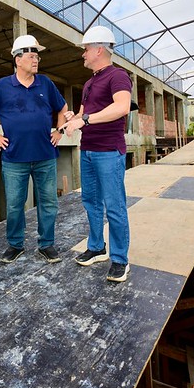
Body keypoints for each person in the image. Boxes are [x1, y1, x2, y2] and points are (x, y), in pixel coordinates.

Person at [0, 34, 68, 264]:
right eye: (31, 55)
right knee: (15, 204)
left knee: (48, 202)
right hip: (14, 158)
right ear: (18, 60)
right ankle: (15, 245)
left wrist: (59, 130)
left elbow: (63, 107)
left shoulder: (45, 83)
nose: (36, 59)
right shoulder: (2, 86)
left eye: (37, 56)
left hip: (45, 156)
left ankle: (46, 244)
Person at [60, 25, 133, 282]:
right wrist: (73, 118)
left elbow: (122, 107)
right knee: (90, 202)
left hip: (108, 152)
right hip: (88, 151)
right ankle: (96, 247)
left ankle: (120, 259)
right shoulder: (90, 82)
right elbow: (83, 114)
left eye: (86, 49)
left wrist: (86, 119)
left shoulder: (118, 76)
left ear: (99, 49)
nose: (83, 54)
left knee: (114, 205)